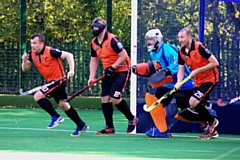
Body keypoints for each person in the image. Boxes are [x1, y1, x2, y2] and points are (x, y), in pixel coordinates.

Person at [21, 33, 88, 137]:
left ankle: (55, 116)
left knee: (38, 96)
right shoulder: (31, 54)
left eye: (35, 43)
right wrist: (24, 61)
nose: (32, 46)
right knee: (64, 105)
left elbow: (69, 55)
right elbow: (25, 69)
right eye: (31, 43)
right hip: (50, 82)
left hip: (58, 81)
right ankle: (81, 125)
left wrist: (71, 70)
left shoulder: (50, 51)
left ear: (42, 43)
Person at [88, 17, 138, 134]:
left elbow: (124, 55)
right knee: (105, 98)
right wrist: (91, 77)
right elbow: (94, 61)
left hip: (122, 70)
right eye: (93, 27)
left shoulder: (113, 40)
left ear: (104, 28)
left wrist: (113, 66)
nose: (95, 29)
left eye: (97, 27)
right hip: (108, 72)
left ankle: (132, 119)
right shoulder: (93, 43)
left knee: (115, 97)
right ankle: (109, 127)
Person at [141, 28, 195, 138]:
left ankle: (209, 118)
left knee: (187, 111)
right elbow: (158, 68)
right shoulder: (153, 53)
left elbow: (176, 66)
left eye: (151, 40)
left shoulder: (167, 50)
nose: (148, 42)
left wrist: (166, 72)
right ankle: (162, 130)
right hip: (167, 85)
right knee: (156, 104)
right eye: (147, 40)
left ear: (158, 39)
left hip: (182, 84)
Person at [176, 27, 219, 140]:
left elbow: (215, 63)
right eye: (179, 37)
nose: (180, 40)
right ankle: (212, 129)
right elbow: (180, 69)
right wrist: (178, 82)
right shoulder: (181, 51)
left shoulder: (199, 47)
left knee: (193, 101)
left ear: (189, 37)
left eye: (182, 37)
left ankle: (211, 122)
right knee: (197, 106)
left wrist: (197, 71)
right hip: (198, 81)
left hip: (210, 79)